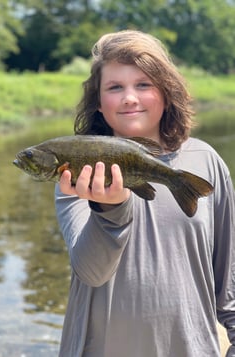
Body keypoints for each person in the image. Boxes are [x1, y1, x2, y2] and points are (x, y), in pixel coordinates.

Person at [55, 30, 235, 357]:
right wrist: (110, 211)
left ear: (167, 93)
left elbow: (230, 281)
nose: (129, 97)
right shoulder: (77, 174)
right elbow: (91, 271)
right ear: (98, 102)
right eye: (114, 87)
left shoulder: (205, 162)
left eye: (143, 84)